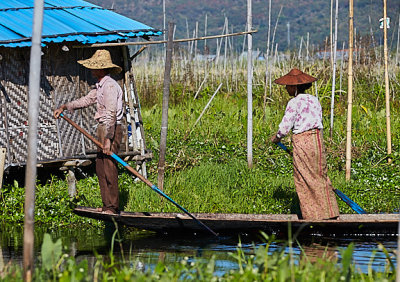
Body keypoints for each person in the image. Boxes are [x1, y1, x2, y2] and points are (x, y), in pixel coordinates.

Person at [54, 49, 123, 215]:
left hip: (110, 129)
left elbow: (111, 114)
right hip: (102, 128)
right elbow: (86, 101)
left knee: (109, 168)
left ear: (101, 68)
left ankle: (113, 207)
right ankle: (106, 205)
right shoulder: (99, 86)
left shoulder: (110, 86)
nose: (91, 71)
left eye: (93, 67)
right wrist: (65, 107)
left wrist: (108, 139)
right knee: (100, 168)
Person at [271, 68, 339, 220]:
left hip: (303, 142)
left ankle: (313, 216)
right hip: (317, 140)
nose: (286, 89)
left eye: (288, 86)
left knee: (304, 178)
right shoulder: (314, 100)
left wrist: (277, 137)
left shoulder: (294, 102)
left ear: (294, 87)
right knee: (320, 175)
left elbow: (285, 125)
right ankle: (330, 213)